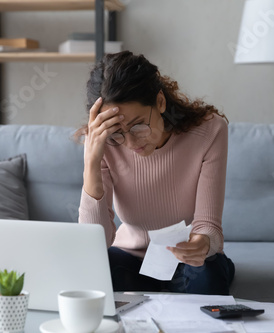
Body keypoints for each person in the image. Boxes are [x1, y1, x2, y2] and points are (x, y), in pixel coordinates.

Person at [77, 51, 234, 295]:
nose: (130, 143)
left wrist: (201, 243)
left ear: (160, 102)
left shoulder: (209, 131)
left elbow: (209, 226)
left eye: (138, 125)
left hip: (188, 264)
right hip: (130, 262)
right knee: (93, 271)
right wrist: (92, 162)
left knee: (208, 275)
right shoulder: (104, 144)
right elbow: (93, 245)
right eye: (117, 132)